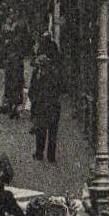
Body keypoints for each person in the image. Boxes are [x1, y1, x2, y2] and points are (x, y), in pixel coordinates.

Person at [29, 34, 64, 163]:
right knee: (52, 133)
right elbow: (61, 88)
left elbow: (33, 89)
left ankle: (39, 153)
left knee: (41, 130)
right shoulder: (54, 74)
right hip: (54, 106)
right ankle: (51, 156)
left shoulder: (38, 75)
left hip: (43, 106)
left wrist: (33, 103)